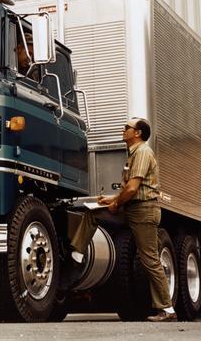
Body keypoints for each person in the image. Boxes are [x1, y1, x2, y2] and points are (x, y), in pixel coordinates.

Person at [69, 117, 177, 322]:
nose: (123, 129)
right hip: (131, 208)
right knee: (93, 213)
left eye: (127, 127)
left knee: (150, 260)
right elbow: (130, 190)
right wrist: (110, 200)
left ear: (137, 133)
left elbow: (133, 189)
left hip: (144, 211)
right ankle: (77, 253)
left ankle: (168, 310)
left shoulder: (143, 152)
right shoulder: (133, 154)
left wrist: (116, 204)